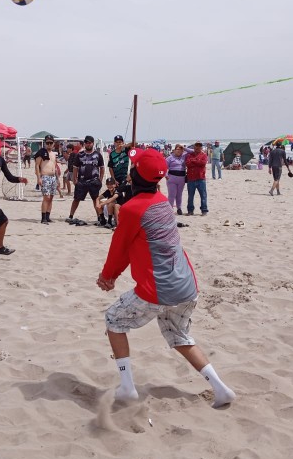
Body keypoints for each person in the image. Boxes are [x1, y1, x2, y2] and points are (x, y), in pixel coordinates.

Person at [96, 148, 235, 408]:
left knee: (114, 319)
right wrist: (112, 275)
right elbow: (132, 247)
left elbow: (119, 248)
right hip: (186, 285)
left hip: (160, 288)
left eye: (133, 166)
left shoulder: (132, 209)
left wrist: (108, 277)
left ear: (134, 174)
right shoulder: (162, 202)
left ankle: (127, 388)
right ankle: (221, 389)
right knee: (180, 336)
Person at [67, 135, 106, 226]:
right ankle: (71, 216)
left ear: (93, 143)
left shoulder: (97, 154)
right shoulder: (80, 155)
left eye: (90, 142)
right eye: (86, 142)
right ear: (84, 143)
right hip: (82, 181)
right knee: (76, 199)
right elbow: (75, 167)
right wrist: (74, 179)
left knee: (95, 200)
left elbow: (102, 168)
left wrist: (100, 179)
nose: (88, 144)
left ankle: (99, 217)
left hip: (94, 181)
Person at [34, 134, 60, 224]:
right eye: (47, 143)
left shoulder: (53, 154)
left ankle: (48, 216)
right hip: (45, 176)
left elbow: (55, 166)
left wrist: (57, 179)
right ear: (45, 143)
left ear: (53, 143)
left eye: (51, 143)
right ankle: (43, 217)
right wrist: (38, 178)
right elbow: (37, 165)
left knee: (51, 197)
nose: (49, 145)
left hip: (53, 177)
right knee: (46, 197)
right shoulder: (41, 152)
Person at [165, 144, 190, 215]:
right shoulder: (169, 158)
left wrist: (184, 148)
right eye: (178, 149)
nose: (179, 151)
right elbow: (164, 167)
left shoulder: (184, 156)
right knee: (172, 195)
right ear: (174, 150)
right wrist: (166, 175)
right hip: (172, 178)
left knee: (179, 195)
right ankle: (170, 209)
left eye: (181, 150)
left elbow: (192, 151)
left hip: (181, 179)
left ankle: (179, 208)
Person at [185, 142, 208, 215]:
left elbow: (203, 163)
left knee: (203, 196)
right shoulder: (189, 155)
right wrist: (197, 162)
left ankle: (204, 210)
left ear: (201, 148)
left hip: (201, 178)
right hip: (191, 179)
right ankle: (190, 210)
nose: (197, 148)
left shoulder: (204, 155)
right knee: (190, 196)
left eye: (199, 147)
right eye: (196, 146)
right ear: (194, 148)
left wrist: (194, 161)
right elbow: (187, 164)